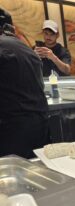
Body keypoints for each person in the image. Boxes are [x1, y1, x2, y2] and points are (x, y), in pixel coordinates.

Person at [0, 8, 50, 158]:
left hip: (13, 128)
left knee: (15, 173)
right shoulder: (29, 50)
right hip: (39, 125)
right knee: (37, 170)